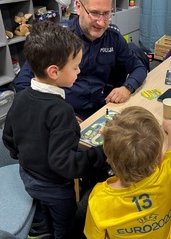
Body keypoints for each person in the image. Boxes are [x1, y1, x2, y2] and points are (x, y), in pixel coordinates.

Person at [2, 21, 108, 239]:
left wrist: (26, 156)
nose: (79, 71)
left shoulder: (20, 97)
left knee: (40, 207)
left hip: (27, 175)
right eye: (76, 66)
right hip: (55, 187)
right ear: (54, 71)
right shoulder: (62, 111)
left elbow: (8, 138)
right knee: (65, 223)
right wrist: (101, 153)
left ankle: (39, 228)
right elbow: (66, 165)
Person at [14, 0, 147, 121]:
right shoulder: (58, 38)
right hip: (62, 113)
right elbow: (22, 84)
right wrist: (55, 112)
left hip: (101, 109)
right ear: (78, 7)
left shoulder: (113, 37)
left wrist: (127, 87)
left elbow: (138, 67)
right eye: (94, 13)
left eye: (107, 14)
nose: (101, 22)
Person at [84, 106, 171, 239]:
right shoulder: (167, 171)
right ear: (160, 158)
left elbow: (94, 236)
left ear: (108, 157)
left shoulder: (99, 200)